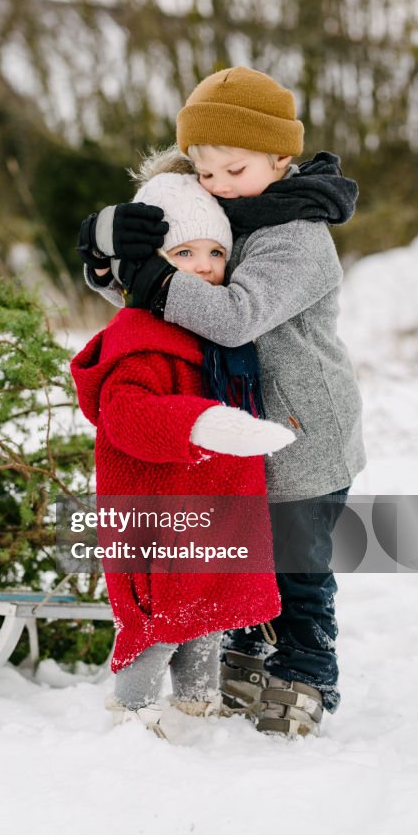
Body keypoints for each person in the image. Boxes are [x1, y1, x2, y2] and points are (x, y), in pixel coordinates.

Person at [77, 65, 366, 737]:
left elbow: (231, 315)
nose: (216, 186)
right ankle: (244, 654)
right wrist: (111, 266)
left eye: (233, 169)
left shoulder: (296, 237)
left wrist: (151, 276)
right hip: (233, 440)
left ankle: (302, 672)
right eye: (204, 172)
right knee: (240, 553)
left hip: (301, 435)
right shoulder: (222, 218)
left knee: (294, 565)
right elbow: (172, 299)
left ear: (280, 158)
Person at [71, 172, 294, 739]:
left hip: (214, 501)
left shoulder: (215, 330)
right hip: (163, 505)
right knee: (162, 614)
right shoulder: (141, 333)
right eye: (183, 252)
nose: (202, 265)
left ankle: (198, 701)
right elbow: (125, 414)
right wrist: (201, 423)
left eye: (215, 252)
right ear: (151, 263)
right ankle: (133, 707)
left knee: (208, 608)